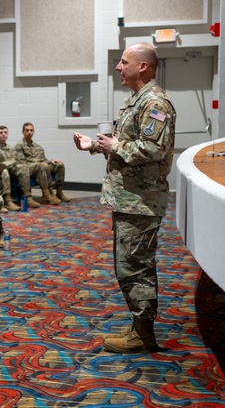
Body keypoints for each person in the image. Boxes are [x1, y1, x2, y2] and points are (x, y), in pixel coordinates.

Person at [73, 42, 176, 354]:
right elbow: (128, 144)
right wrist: (95, 145)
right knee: (131, 264)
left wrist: (113, 145)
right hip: (131, 199)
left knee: (134, 265)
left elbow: (152, 149)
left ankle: (143, 333)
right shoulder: (137, 100)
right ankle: (139, 326)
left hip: (141, 201)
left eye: (124, 62)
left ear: (142, 66)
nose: (118, 67)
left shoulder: (155, 103)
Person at [13, 123, 69, 205]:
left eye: (31, 130)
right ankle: (46, 195)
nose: (29, 132)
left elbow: (44, 159)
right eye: (27, 130)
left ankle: (59, 192)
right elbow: (21, 162)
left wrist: (51, 161)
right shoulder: (19, 145)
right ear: (23, 132)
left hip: (41, 166)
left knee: (59, 165)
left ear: (34, 132)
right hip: (28, 168)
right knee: (41, 166)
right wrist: (39, 163)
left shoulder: (37, 146)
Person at [0, 125, 25, 211]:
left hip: (10, 171)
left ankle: (26, 195)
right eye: (1, 133)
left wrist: (6, 163)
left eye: (5, 132)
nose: (3, 134)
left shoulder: (10, 148)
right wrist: (8, 164)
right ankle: (7, 200)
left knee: (23, 167)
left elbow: (15, 161)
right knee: (4, 171)